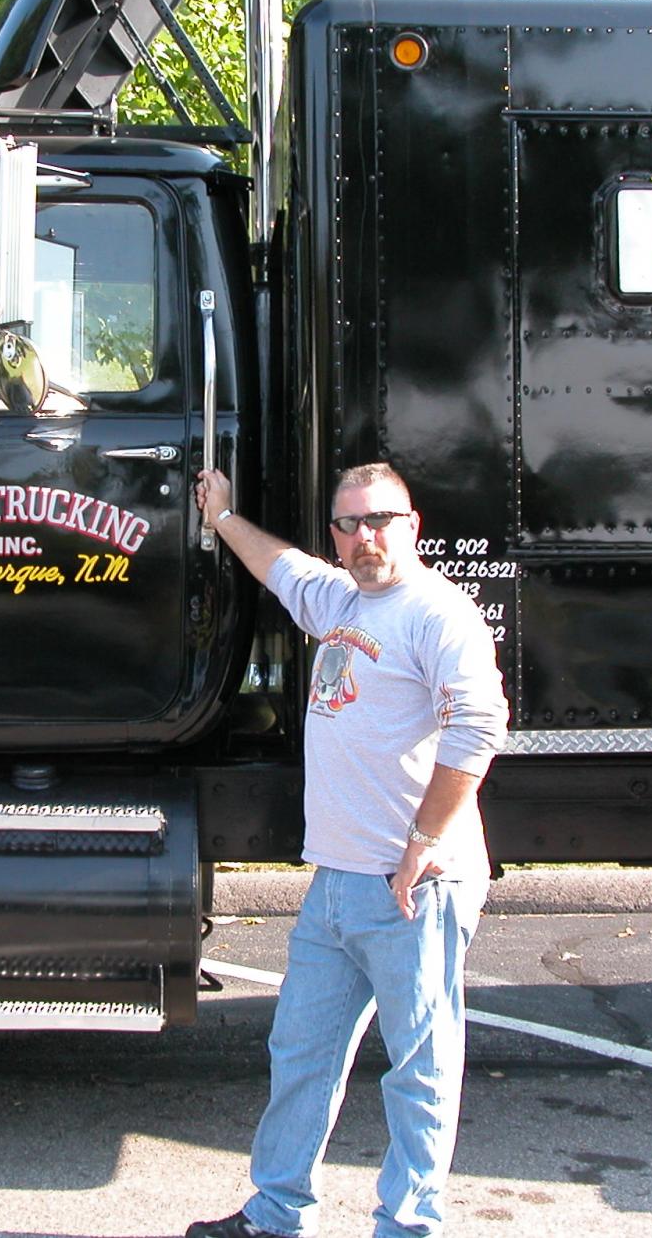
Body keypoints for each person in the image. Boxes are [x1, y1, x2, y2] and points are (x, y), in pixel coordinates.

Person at [187, 462, 509, 1238]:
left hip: (413, 887)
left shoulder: (437, 613)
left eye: (381, 521)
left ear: (412, 526)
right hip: (335, 884)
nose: (366, 538)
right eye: (349, 524)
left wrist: (425, 843)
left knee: (420, 1073)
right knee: (300, 1052)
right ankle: (275, 1213)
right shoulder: (338, 598)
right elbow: (282, 567)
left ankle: (409, 1226)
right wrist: (224, 517)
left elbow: (479, 726)